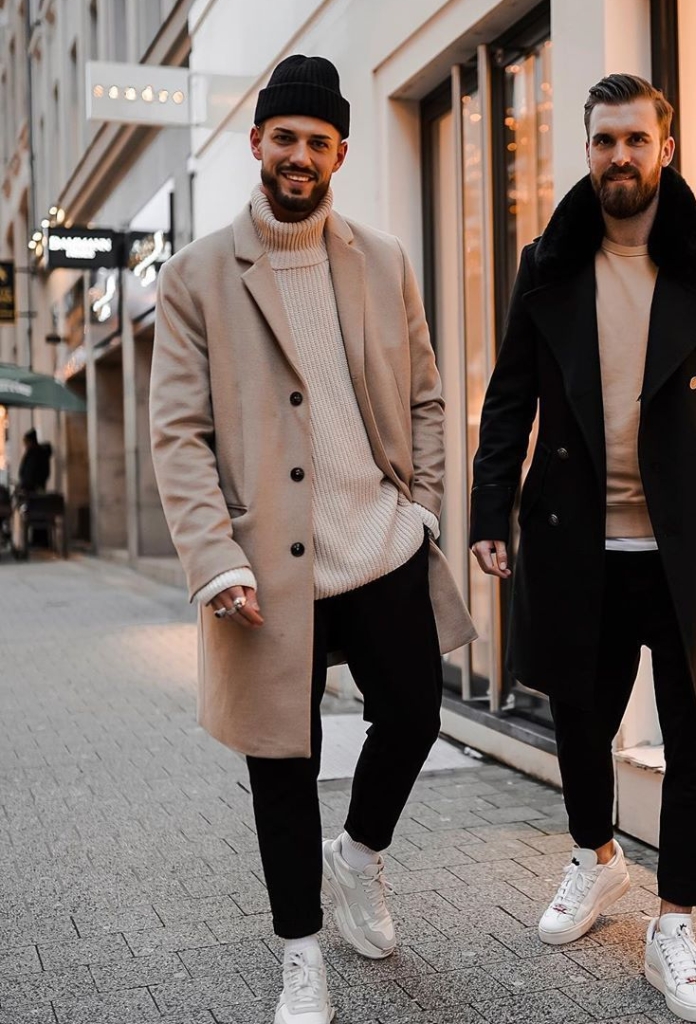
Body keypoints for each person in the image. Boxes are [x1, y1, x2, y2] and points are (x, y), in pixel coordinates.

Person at [150, 54, 475, 1024]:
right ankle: (301, 950)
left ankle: (361, 854)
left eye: (316, 141)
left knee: (414, 712)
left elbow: (423, 395)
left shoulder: (381, 261)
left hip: (378, 544)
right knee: (280, 764)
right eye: (283, 137)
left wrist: (419, 513)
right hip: (263, 568)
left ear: (340, 149)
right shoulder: (195, 276)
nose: (299, 155)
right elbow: (177, 433)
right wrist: (214, 560)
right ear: (257, 144)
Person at [470, 73, 696, 1023]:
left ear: (666, 148)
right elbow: (509, 399)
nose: (619, 158)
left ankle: (675, 922)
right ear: (589, 148)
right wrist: (491, 513)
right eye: (604, 141)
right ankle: (596, 859)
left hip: (688, 546)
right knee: (577, 723)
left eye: (635, 141)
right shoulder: (548, 264)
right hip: (578, 543)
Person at [18, 429, 51, 494]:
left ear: (31, 441)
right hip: (30, 488)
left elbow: (32, 471)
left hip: (34, 489)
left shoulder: (37, 454)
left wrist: (30, 484)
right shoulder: (31, 453)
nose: (25, 444)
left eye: (26, 442)